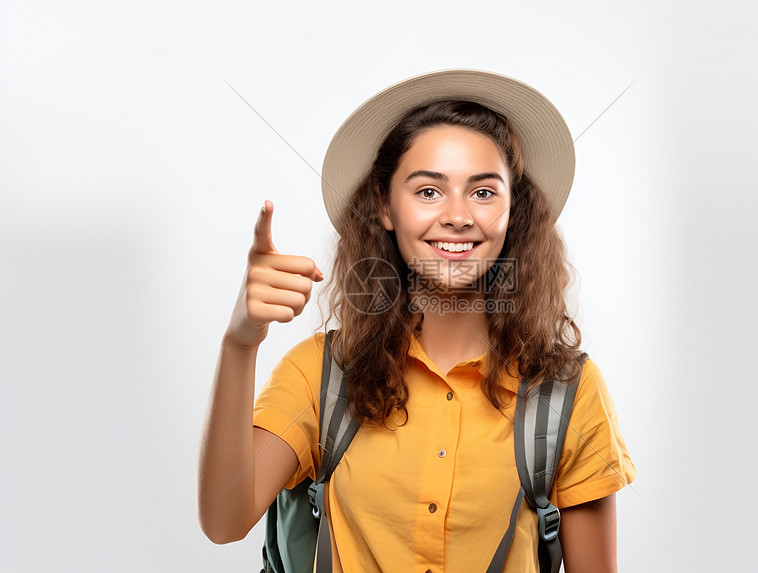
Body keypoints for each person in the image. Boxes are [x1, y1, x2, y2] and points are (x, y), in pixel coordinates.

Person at [198, 69, 636, 573]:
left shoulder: (569, 392)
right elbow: (223, 522)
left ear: (513, 212)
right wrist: (239, 342)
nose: (457, 215)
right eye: (428, 191)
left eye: (484, 192)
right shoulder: (321, 375)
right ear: (385, 207)